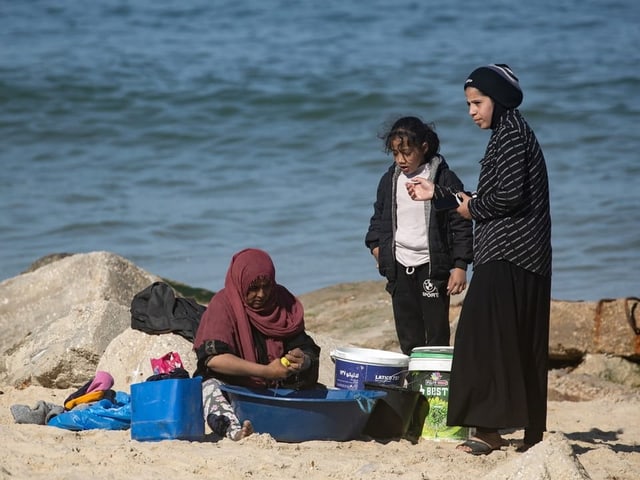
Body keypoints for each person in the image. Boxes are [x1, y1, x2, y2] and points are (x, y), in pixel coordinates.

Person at [407, 64, 552, 455]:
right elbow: (488, 199)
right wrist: (439, 193)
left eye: (478, 103)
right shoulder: (509, 134)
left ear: (499, 100)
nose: (472, 111)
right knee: (515, 340)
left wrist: (468, 209)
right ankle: (529, 432)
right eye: (469, 104)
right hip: (518, 254)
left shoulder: (513, 137)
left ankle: (489, 430)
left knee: (478, 337)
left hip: (512, 252)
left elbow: (503, 200)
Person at [365, 116, 473, 355]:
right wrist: (376, 248)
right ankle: (413, 382)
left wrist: (460, 265)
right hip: (399, 266)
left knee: (435, 331)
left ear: (423, 147)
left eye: (406, 153)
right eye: (395, 154)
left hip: (432, 268)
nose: (401, 160)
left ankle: (435, 382)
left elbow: (460, 222)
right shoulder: (389, 182)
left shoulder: (443, 180)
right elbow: (378, 218)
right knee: (407, 330)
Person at [193, 248, 321, 441]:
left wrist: (303, 361)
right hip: (234, 388)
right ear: (241, 283)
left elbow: (305, 347)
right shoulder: (223, 305)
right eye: (253, 288)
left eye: (266, 286)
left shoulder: (282, 304)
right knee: (209, 390)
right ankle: (236, 431)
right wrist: (266, 372)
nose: (261, 294)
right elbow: (214, 360)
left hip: (274, 389)